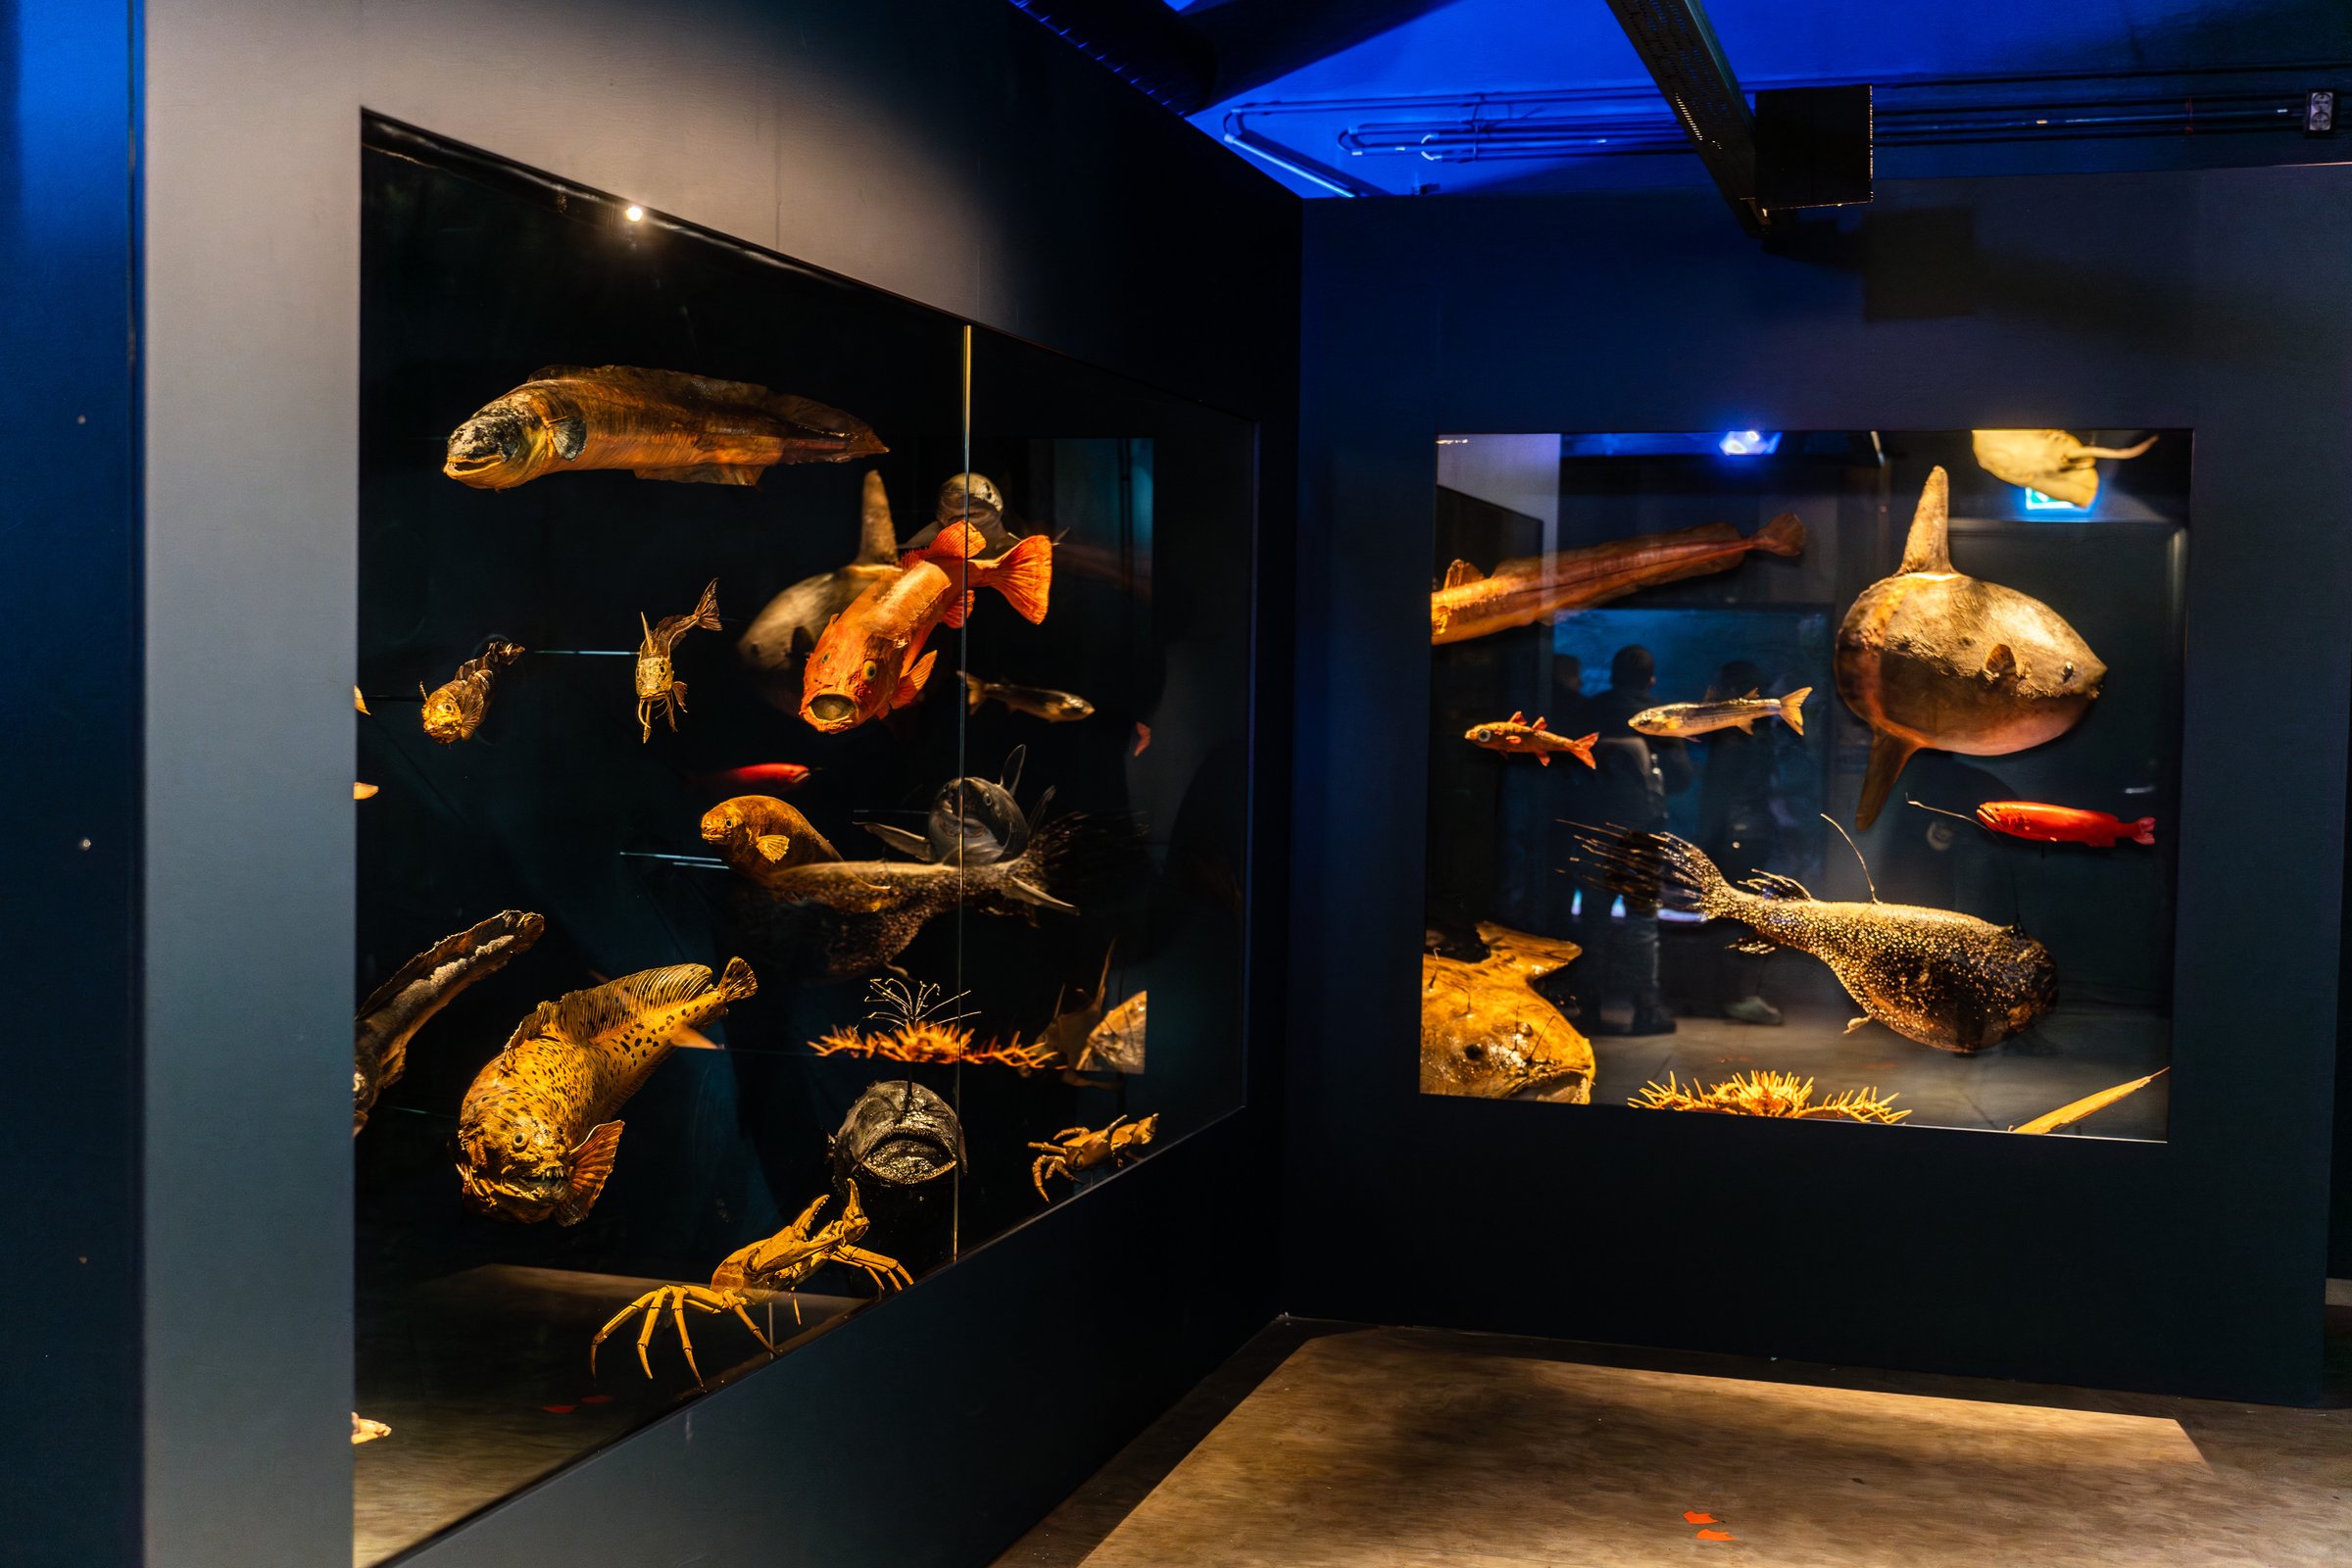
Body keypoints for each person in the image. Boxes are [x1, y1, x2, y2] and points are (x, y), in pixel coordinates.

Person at [1578, 646, 1690, 1036]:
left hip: (1594, 828)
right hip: (1642, 833)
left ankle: (1588, 1008)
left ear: (1612, 675)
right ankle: (1646, 1010)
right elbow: (1681, 779)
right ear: (1650, 679)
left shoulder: (1591, 710)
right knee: (1641, 921)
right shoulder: (1659, 717)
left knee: (1592, 920)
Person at [1695, 659, 1787, 1026]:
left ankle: (1732, 996)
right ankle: (1733, 994)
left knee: (1730, 915)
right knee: (1740, 913)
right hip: (1751, 832)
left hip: (1733, 836)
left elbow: (1719, 794)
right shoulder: (1758, 729)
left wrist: (1705, 837)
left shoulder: (1735, 734)